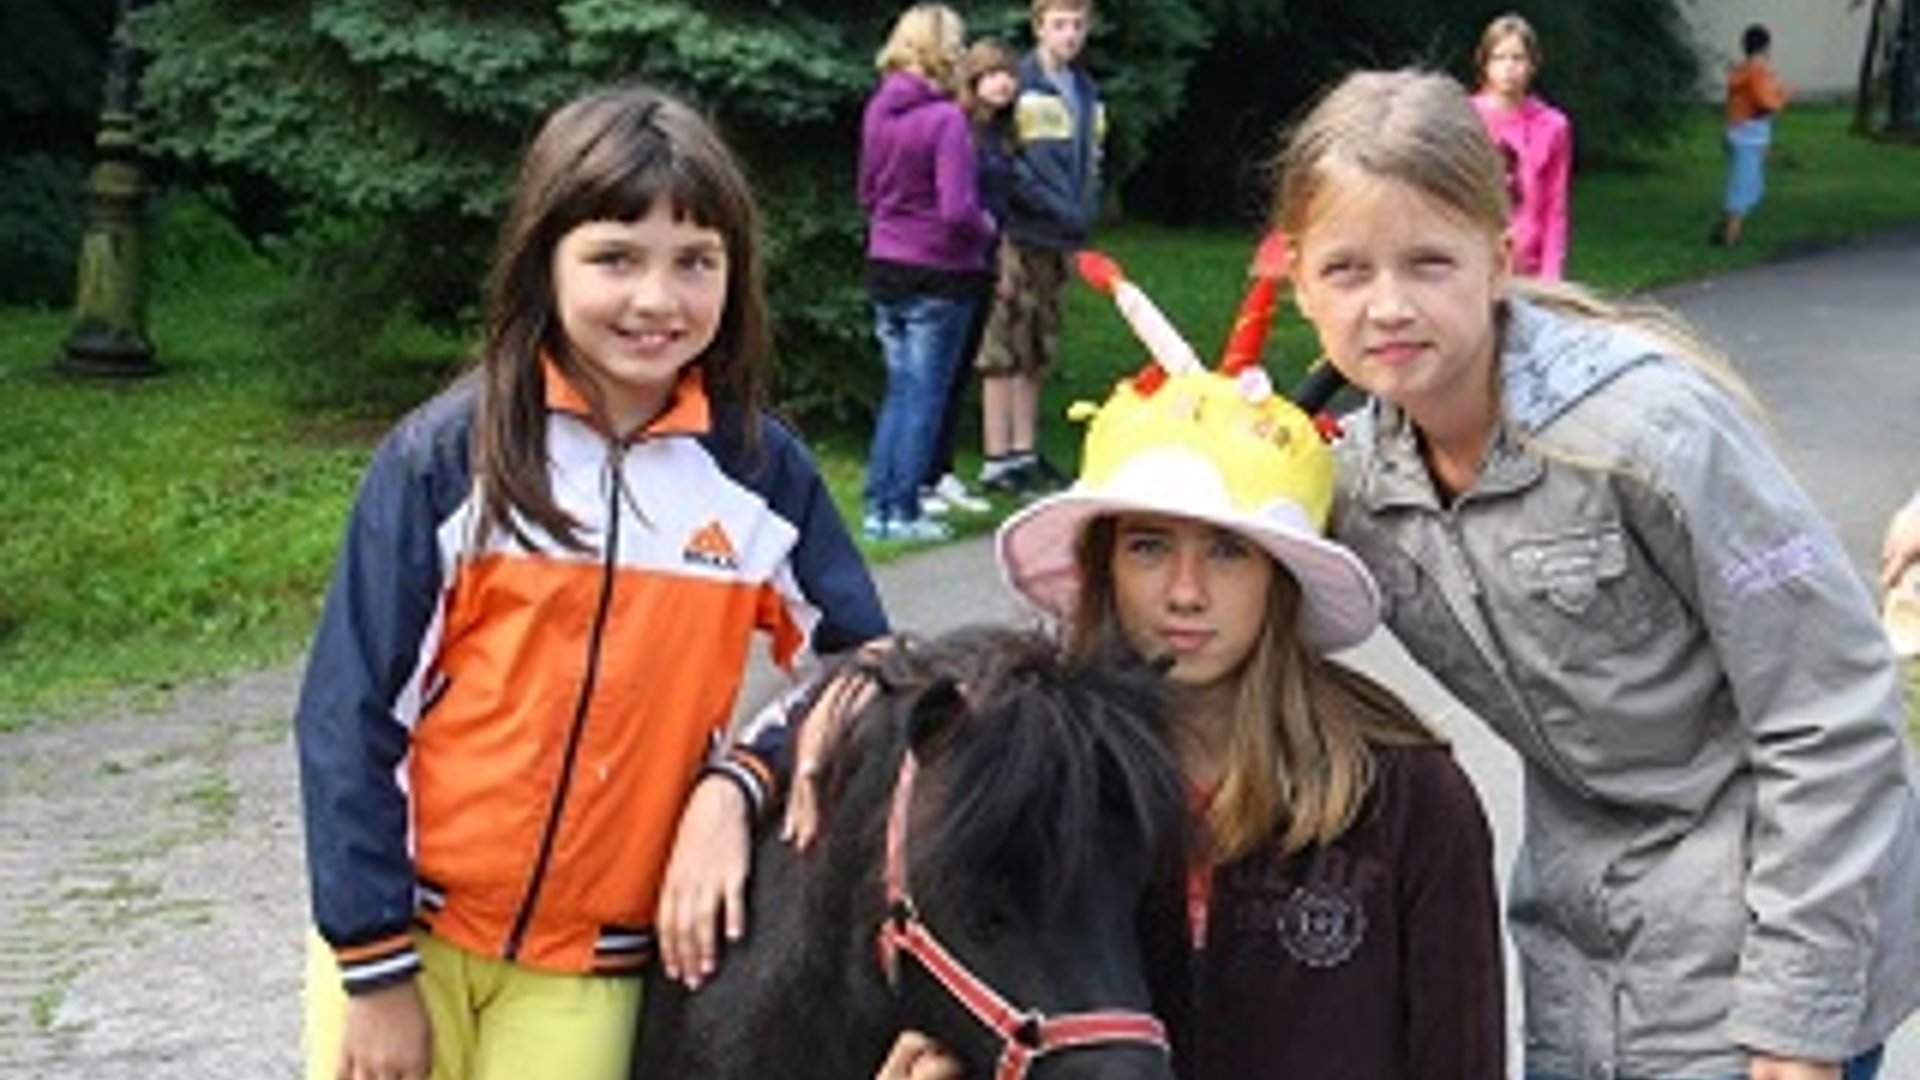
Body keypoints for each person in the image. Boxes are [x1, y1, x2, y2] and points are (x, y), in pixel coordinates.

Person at [1275, 68, 1919, 1080]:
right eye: (1348, 269)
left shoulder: (1642, 435)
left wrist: (1799, 1023)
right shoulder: (1348, 488)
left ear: (1499, 259)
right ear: (1297, 278)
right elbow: (1193, 606)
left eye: (1429, 262)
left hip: (1765, 955)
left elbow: (1829, 707)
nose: (1389, 305)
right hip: (1582, 965)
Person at [293, 84, 889, 1080]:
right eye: (615, 257)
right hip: (411, 949)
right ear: (543, 260)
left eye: (696, 262)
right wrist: (373, 966)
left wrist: (737, 782)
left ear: (734, 277)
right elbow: (347, 716)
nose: (657, 299)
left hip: (595, 974)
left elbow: (866, 666)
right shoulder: (448, 459)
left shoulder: (758, 474)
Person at [873, 272, 1507, 1078]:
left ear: (1282, 576)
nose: (1184, 591)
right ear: (1102, 564)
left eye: (1228, 550)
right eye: (1148, 545)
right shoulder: (1039, 789)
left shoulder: (1408, 798)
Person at [859, 3, 998, 542]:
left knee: (899, 390)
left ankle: (879, 505)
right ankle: (904, 511)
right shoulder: (946, 120)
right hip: (939, 270)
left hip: (886, 261)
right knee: (925, 394)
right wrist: (990, 230)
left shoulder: (878, 110)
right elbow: (959, 208)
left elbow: (867, 191)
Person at [976, 0, 1105, 497]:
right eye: (1059, 25)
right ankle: (998, 457)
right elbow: (1013, 166)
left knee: (1038, 346)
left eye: (1077, 25)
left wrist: (1081, 213)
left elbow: (1090, 162)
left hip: (1061, 237)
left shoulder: (1085, 90)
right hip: (1022, 233)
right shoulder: (1021, 85)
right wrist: (1054, 208)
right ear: (1039, 29)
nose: (1069, 35)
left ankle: (1026, 452)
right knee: (1004, 344)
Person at [918, 37, 1019, 520]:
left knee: (957, 377)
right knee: (939, 374)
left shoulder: (1002, 133)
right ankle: (923, 474)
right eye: (992, 74)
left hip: (985, 261)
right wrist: (985, 237)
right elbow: (959, 203)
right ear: (973, 79)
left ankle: (941, 469)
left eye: (1008, 74)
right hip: (957, 261)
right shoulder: (960, 131)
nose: (1003, 83)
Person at [1470, 12, 1572, 280]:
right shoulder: (1465, 117)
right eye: (1499, 58)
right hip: (1476, 260)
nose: (1509, 68)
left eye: (1518, 58)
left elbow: (1555, 206)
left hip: (1530, 265)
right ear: (1485, 63)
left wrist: (1551, 276)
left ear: (1533, 64)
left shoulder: (1553, 125)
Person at [1714, 24, 1790, 247]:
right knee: (1743, 187)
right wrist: (1783, 96)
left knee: (1751, 186)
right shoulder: (1758, 72)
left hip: (1741, 133)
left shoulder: (1742, 70)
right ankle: (1729, 238)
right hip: (1749, 137)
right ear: (1766, 47)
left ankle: (1722, 230)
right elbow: (1766, 104)